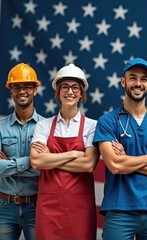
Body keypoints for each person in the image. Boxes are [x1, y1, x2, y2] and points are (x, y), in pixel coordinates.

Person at [93, 57, 147, 239]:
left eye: (143, 79)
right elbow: (115, 166)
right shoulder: (108, 121)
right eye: (133, 77)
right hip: (119, 210)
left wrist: (127, 160)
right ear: (123, 81)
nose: (138, 83)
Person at [30, 63, 99, 239]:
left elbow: (89, 164)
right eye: (65, 87)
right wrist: (74, 154)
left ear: (82, 93)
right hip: (48, 206)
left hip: (80, 207)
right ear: (58, 92)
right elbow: (36, 162)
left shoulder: (92, 126)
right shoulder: (43, 125)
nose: (70, 92)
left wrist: (50, 158)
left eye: (75, 87)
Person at [0, 63, 43, 240]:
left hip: (36, 205)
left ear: (35, 90)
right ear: (11, 91)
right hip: (4, 207)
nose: (22, 91)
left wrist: (9, 164)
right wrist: (32, 161)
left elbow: (46, 167)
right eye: (16, 87)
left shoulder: (46, 127)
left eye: (27, 86)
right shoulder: (1, 127)